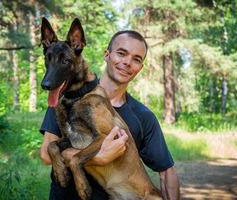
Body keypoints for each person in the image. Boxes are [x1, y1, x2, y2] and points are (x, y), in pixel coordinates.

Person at [39, 30, 180, 200]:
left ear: (140, 68)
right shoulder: (65, 96)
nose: (127, 62)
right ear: (107, 55)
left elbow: (167, 173)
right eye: (121, 53)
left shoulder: (144, 116)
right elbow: (47, 155)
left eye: (136, 59)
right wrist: (98, 158)